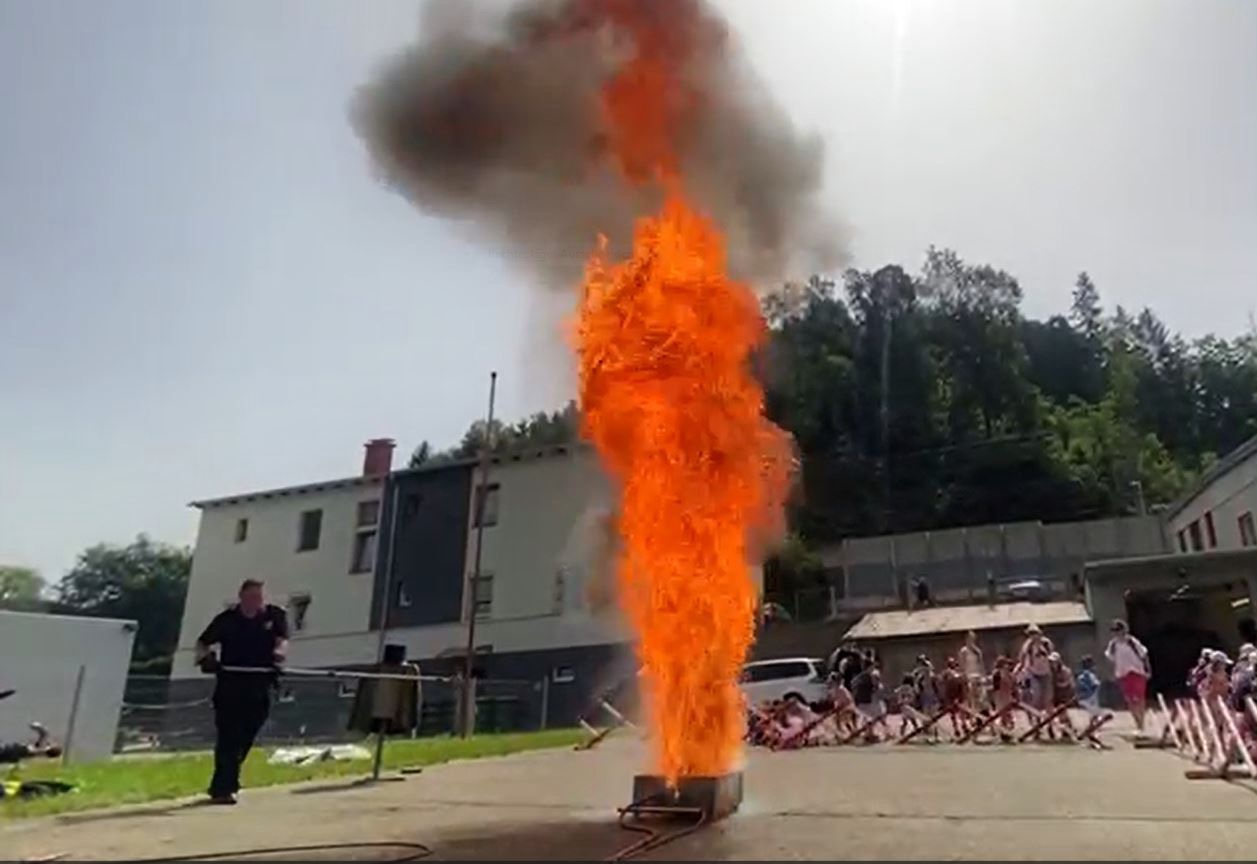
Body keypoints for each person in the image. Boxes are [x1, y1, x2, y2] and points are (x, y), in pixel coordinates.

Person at [195, 578, 289, 804]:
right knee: (228, 737)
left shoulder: (274, 616)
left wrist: (279, 655)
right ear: (241, 597)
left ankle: (227, 781)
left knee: (247, 734)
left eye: (259, 597)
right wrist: (207, 659)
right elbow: (202, 643)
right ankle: (224, 788)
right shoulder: (227, 620)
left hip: (260, 683)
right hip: (230, 685)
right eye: (251, 597)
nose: (255, 602)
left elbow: (283, 640)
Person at [1104, 618, 1150, 732]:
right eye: (1114, 631)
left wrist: (1148, 670)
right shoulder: (1113, 644)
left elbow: (1144, 655)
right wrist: (1111, 673)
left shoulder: (1132, 642)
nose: (1116, 633)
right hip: (1122, 674)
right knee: (1129, 700)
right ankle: (1137, 723)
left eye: (1118, 630)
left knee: (1139, 698)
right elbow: (1110, 659)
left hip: (1137, 671)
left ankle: (1141, 724)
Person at [1018, 624, 1055, 713]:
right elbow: (1022, 657)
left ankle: (1049, 717)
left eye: (1035, 633)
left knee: (1048, 697)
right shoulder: (1028, 645)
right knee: (1036, 695)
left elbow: (1052, 654)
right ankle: (1036, 716)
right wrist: (1020, 669)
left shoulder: (1046, 643)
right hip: (1033, 673)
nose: (1033, 636)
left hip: (1045, 672)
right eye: (1031, 634)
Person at [958, 630, 985, 711]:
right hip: (968, 676)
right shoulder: (964, 651)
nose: (971, 640)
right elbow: (962, 665)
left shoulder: (977, 651)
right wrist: (964, 676)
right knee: (970, 698)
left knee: (980, 697)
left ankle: (980, 714)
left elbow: (981, 665)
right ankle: (973, 715)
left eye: (973, 639)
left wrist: (983, 676)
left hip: (977, 675)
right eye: (970, 638)